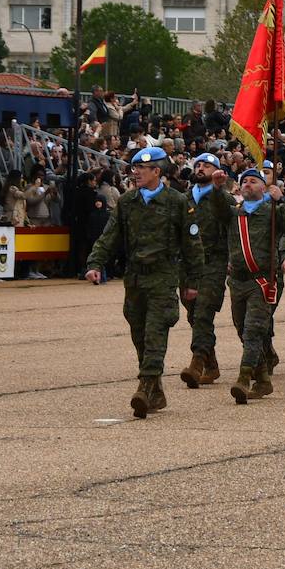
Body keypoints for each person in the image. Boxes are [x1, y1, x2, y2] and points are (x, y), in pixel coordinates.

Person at [85, 146, 206, 419]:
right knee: (139, 334)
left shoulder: (177, 202)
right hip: (135, 278)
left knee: (155, 333)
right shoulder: (128, 202)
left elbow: (192, 245)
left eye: (141, 168)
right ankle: (156, 390)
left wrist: (193, 281)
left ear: (157, 172)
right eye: (134, 168)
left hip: (163, 277)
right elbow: (109, 236)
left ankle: (144, 386)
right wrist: (95, 263)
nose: (135, 172)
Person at [226, 168, 285, 403]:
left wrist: (281, 200)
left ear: (264, 187)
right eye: (244, 181)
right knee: (241, 329)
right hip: (237, 281)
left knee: (253, 330)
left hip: (262, 281)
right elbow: (214, 208)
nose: (248, 185)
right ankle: (263, 379)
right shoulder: (233, 213)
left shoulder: (272, 212)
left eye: (254, 181)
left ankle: (244, 377)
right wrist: (218, 186)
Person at [178, 154, 236, 389]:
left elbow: (230, 223)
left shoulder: (223, 198)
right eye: (198, 165)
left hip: (214, 262)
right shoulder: (183, 199)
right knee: (193, 315)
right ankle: (211, 365)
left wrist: (219, 189)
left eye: (207, 165)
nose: (201, 168)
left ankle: (197, 363)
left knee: (203, 313)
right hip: (188, 265)